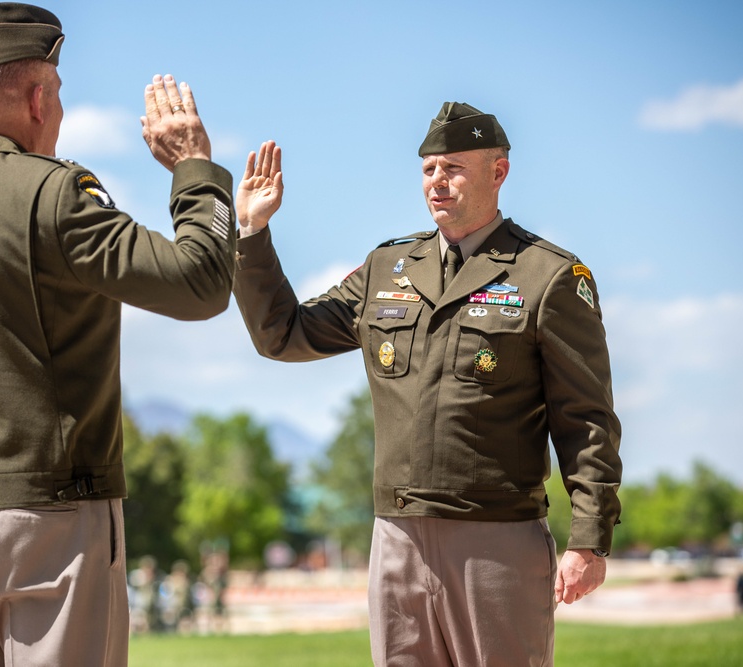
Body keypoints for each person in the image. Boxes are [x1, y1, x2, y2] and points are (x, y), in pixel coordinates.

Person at [0, 3, 236, 665]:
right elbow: (200, 283)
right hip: (52, 516)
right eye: (56, 98)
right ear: (38, 96)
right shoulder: (55, 193)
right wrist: (195, 170)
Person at [233, 103, 623, 665]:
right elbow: (283, 333)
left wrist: (589, 537)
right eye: (428, 170)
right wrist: (254, 232)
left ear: (499, 171)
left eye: (454, 168)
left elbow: (586, 419)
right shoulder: (386, 268)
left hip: (496, 541)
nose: (437, 182)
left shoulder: (548, 276)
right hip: (396, 538)